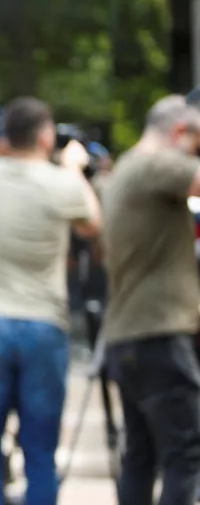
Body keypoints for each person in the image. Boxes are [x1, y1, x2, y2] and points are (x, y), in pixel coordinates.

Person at [0, 96, 100, 505]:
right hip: (43, 325)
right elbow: (93, 224)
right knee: (40, 453)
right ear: (45, 135)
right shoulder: (62, 182)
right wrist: (72, 167)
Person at [101, 94, 200, 505]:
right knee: (186, 456)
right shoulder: (154, 164)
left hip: (128, 337)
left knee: (140, 459)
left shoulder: (126, 168)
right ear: (180, 132)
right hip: (159, 334)